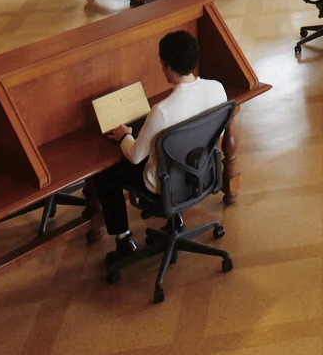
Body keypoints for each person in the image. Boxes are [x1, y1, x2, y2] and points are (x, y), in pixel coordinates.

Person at [91, 31, 228, 258]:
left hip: (164, 185)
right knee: (167, 152)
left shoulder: (162, 112)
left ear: (166, 65)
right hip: (201, 172)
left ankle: (124, 240)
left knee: (106, 174)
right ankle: (176, 217)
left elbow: (134, 156)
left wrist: (125, 135)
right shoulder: (217, 89)